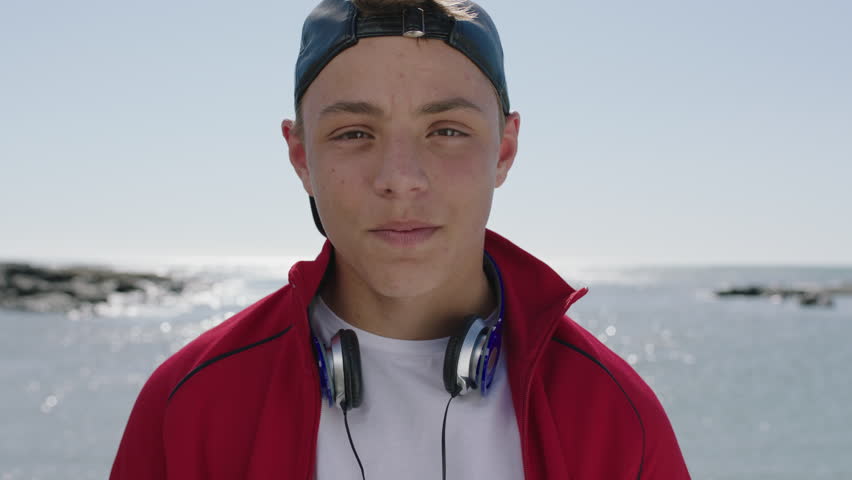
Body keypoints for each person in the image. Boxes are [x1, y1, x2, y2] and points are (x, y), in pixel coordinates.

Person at [110, 0, 691, 478]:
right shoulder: (189, 404)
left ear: (505, 149)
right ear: (301, 156)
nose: (400, 179)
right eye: (354, 133)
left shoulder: (614, 414)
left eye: (447, 130)